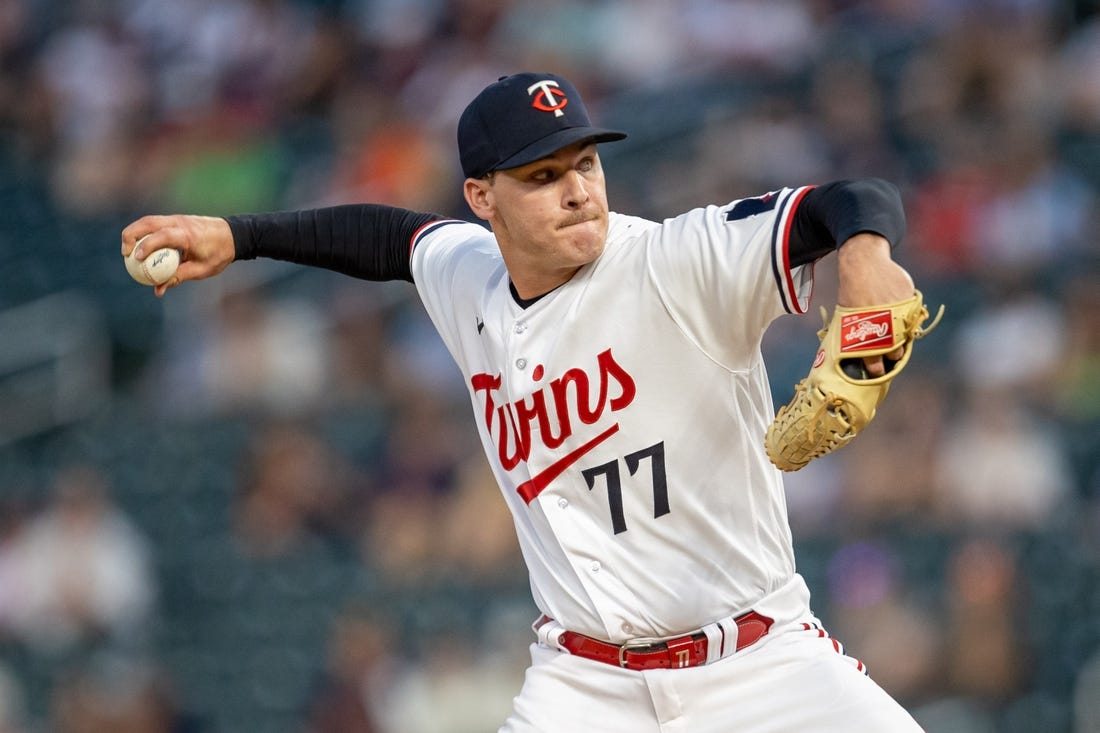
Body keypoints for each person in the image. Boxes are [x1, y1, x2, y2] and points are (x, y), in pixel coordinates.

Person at [122, 72, 926, 731]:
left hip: (758, 665)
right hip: (583, 688)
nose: (577, 191)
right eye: (544, 176)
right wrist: (239, 235)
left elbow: (850, 197)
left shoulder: (677, 263)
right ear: (482, 197)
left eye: (586, 164)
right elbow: (386, 238)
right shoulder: (469, 274)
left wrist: (865, 262)